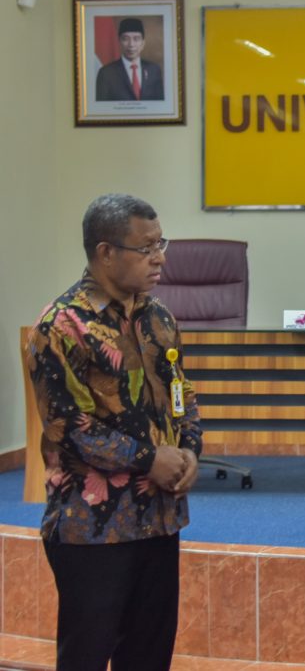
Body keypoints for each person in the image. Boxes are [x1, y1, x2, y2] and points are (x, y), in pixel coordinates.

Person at [24, 193, 200, 670]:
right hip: (93, 526)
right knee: (86, 654)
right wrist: (151, 460)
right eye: (146, 248)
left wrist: (189, 450)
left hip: (159, 517)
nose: (160, 257)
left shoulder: (158, 317)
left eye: (161, 243)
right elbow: (71, 426)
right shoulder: (60, 326)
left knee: (149, 655)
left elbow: (181, 392)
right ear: (105, 252)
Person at [95, 18, 164, 101]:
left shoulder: (154, 70)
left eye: (136, 39)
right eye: (126, 39)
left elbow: (160, 105)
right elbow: (101, 109)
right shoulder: (106, 73)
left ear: (143, 43)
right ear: (119, 42)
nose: (131, 44)